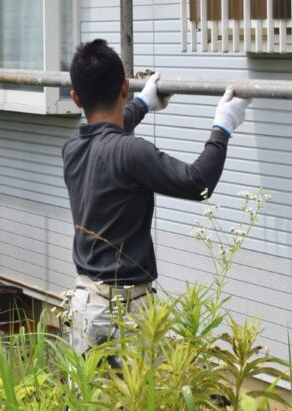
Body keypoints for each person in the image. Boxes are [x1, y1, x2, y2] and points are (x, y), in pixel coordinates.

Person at [63, 39, 250, 356]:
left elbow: (107, 132)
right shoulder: (130, 152)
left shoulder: (72, 150)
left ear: (75, 98)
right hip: (124, 314)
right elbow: (197, 183)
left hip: (85, 306)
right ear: (124, 87)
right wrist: (223, 126)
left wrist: (142, 104)